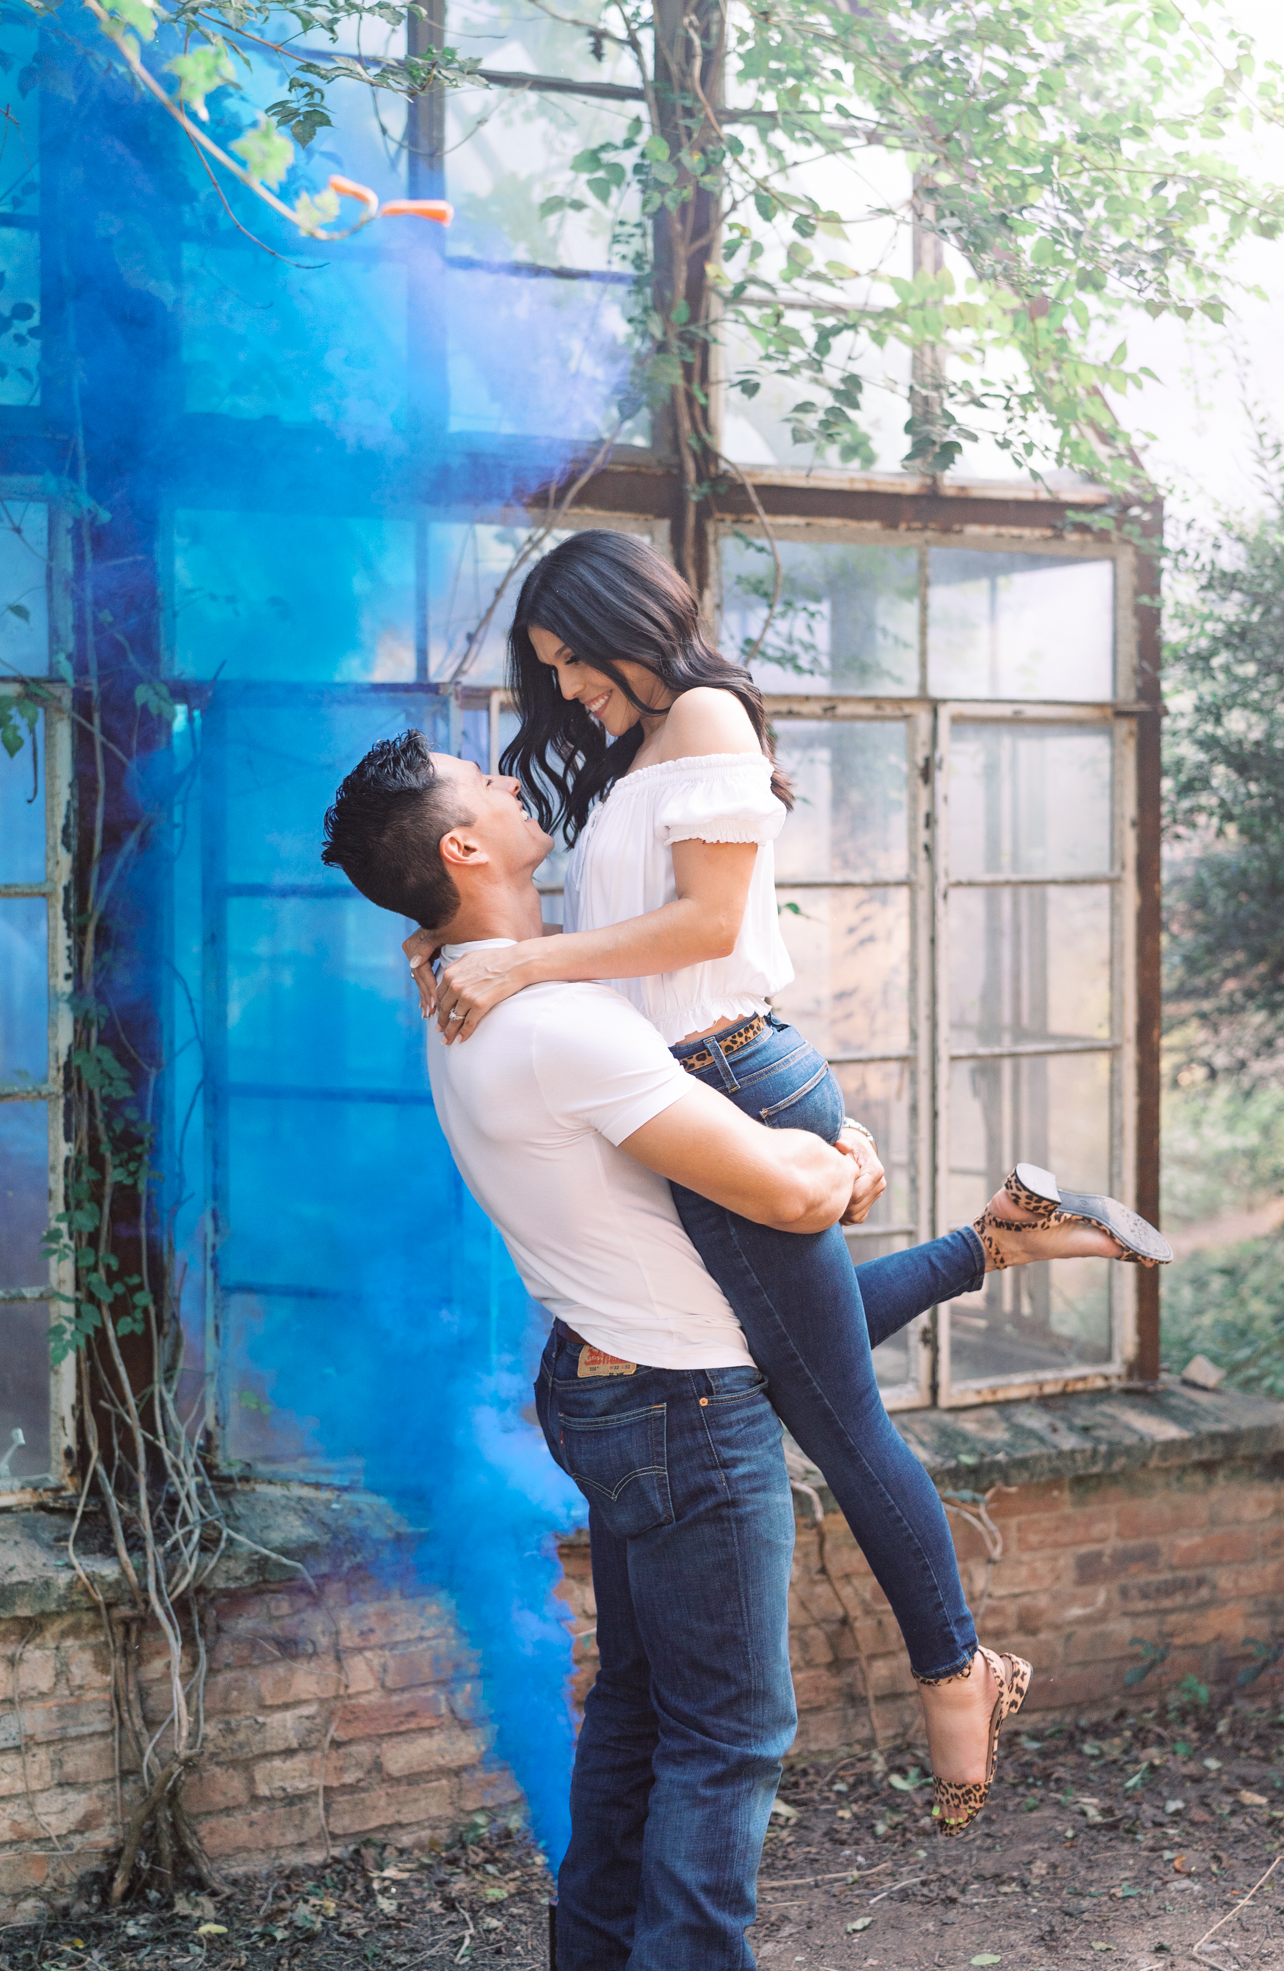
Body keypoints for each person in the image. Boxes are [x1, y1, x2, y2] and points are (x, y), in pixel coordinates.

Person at [403, 529, 1171, 1830]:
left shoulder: (701, 712)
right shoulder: (634, 746)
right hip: (700, 1077)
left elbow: (706, 928)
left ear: (626, 622)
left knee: (831, 1411)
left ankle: (955, 1671)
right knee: (769, 1351)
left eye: (573, 662)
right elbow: (599, 923)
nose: (569, 691)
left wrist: (523, 966)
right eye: (551, 673)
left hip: (731, 1069)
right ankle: (999, 1240)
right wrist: (444, 940)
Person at [321, 731, 869, 1968]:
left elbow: (775, 1178)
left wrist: (817, 1168)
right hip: (681, 1406)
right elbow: (785, 1201)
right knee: (728, 1739)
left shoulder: (466, 991)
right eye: (491, 785)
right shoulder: (556, 1023)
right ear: (464, 847)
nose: (520, 785)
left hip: (605, 1383)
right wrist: (840, 1162)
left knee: (635, 1710)